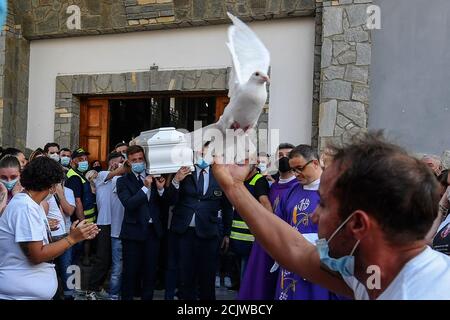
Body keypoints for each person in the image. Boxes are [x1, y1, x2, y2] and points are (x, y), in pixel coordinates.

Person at [212, 132, 450, 300]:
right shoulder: (373, 270)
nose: (314, 216)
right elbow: (295, 249)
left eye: (324, 205)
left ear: (358, 224)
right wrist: (233, 185)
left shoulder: (424, 292)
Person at [0, 157, 99, 300]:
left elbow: (42, 245)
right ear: (52, 186)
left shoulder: (32, 204)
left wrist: (74, 235)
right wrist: (72, 239)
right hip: (19, 295)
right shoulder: (25, 207)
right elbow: (37, 255)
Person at [166, 142, 233, 300]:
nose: (203, 156)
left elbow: (227, 207)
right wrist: (176, 180)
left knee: (207, 278)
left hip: (209, 234)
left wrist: (227, 234)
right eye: (201, 152)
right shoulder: (184, 172)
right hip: (184, 233)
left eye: (207, 153)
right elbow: (169, 200)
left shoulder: (220, 175)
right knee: (185, 277)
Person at [239, 143, 297, 300]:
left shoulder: (298, 187)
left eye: (288, 155)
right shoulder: (273, 185)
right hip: (264, 243)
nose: (283, 158)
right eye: (280, 155)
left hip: (285, 244)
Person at [116, 145, 175, 300]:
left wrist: (161, 190)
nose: (138, 162)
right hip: (132, 234)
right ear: (128, 162)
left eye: (140, 159)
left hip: (153, 233)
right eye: (134, 160)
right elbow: (129, 203)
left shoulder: (155, 177)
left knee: (150, 273)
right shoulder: (122, 181)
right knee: (130, 273)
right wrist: (145, 188)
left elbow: (167, 203)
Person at [86, 152, 126, 300]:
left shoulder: (122, 179)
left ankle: (104, 288)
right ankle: (91, 289)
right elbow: (119, 171)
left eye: (121, 161)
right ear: (110, 163)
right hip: (105, 222)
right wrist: (120, 167)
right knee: (102, 258)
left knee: (115, 259)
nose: (119, 164)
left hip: (119, 222)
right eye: (117, 161)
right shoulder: (102, 175)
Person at [230, 161, 271, 285]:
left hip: (250, 239)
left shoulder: (259, 180)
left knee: (246, 277)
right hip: (237, 239)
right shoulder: (240, 180)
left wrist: (267, 230)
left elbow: (266, 204)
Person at [42, 183, 76, 300]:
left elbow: (68, 211)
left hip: (63, 235)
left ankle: (70, 295)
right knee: (51, 269)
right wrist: (45, 222)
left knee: (68, 268)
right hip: (49, 238)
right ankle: (54, 295)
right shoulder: (41, 191)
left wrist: (61, 195)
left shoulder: (64, 191)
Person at [65, 148, 96, 266]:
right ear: (73, 161)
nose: (84, 162)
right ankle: (72, 273)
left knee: (84, 242)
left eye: (85, 159)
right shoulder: (74, 177)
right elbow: (77, 201)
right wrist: (82, 221)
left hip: (87, 217)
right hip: (79, 219)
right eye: (80, 159)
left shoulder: (80, 175)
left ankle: (82, 261)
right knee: (76, 248)